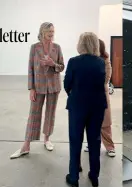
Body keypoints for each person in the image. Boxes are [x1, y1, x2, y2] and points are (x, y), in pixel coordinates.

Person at [10, 22, 64, 159]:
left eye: (53, 31)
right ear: (42, 32)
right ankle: (26, 145)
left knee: (50, 113)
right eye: (49, 32)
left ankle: (47, 139)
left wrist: (53, 64)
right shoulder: (34, 48)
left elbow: (62, 66)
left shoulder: (57, 47)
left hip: (53, 86)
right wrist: (31, 88)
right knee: (33, 114)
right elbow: (30, 68)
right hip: (38, 86)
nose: (51, 34)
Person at [64, 32, 107, 187]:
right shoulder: (101, 62)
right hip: (97, 106)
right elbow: (101, 83)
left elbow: (67, 84)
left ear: (81, 44)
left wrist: (74, 93)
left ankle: (74, 177)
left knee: (75, 140)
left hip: (78, 105)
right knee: (94, 141)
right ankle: (94, 176)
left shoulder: (74, 62)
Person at [83, 39, 116, 157]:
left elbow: (106, 78)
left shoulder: (105, 60)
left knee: (105, 122)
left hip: (101, 93)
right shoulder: (85, 59)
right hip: (87, 95)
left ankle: (110, 147)